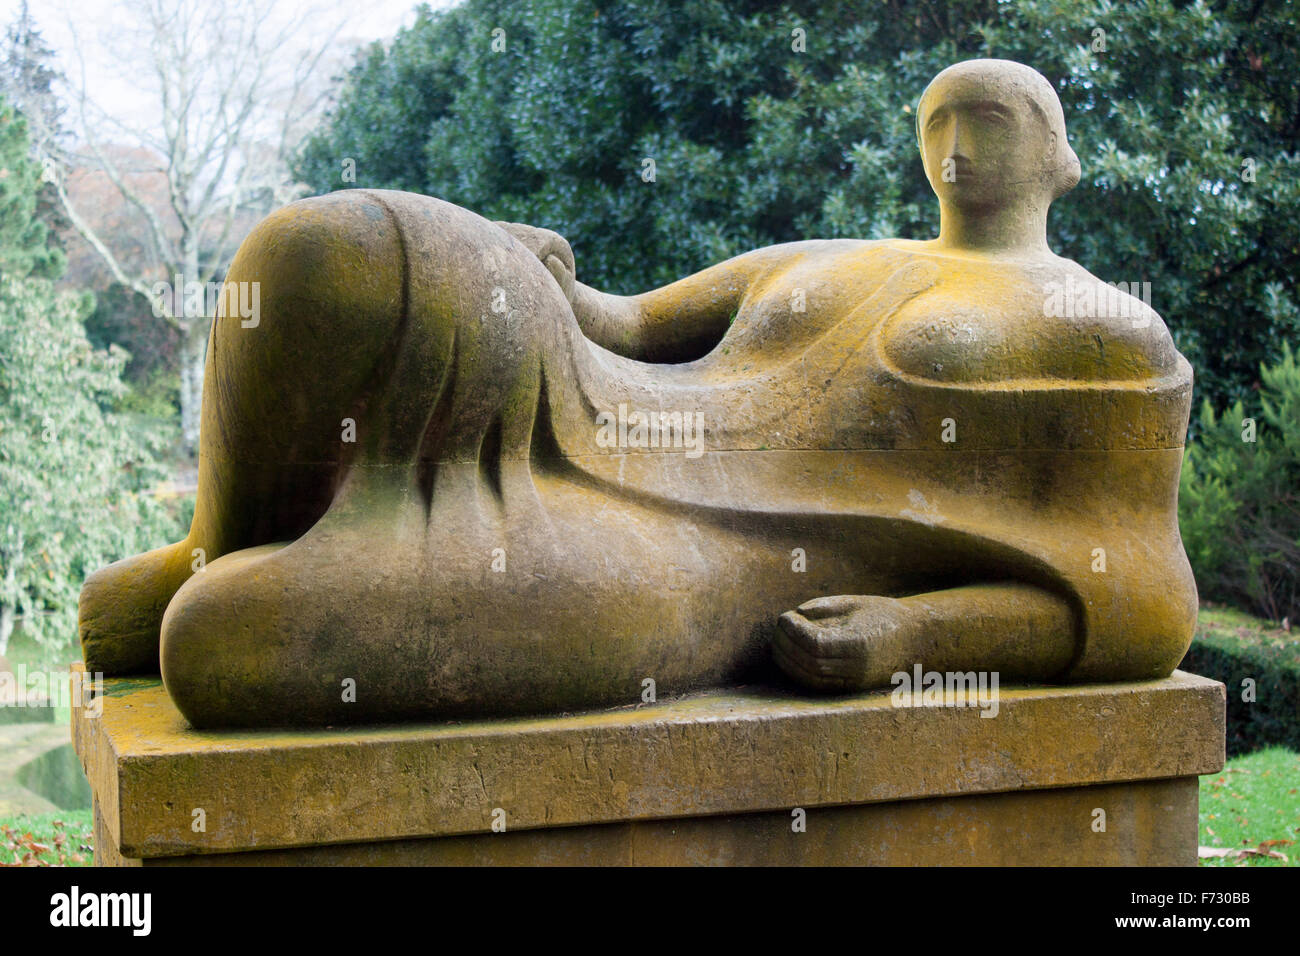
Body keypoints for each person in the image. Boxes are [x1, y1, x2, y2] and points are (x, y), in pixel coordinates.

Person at [79, 59, 1197, 728]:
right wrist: (548, 278)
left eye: (989, 125)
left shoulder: (1104, 325)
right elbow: (631, 323)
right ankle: (217, 536)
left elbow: (1141, 595)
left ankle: (247, 573)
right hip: (599, 394)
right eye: (937, 126)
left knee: (222, 646)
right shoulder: (838, 255)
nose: (955, 151)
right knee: (324, 248)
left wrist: (916, 635)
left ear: (1060, 156)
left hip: (713, 556)